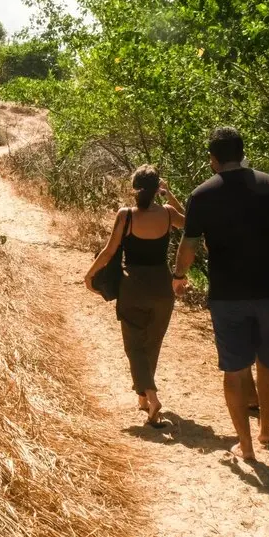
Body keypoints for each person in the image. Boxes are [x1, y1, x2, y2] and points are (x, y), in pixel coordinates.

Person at [172, 128, 269, 461]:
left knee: (236, 369)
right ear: (242, 154)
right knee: (268, 360)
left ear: (213, 160)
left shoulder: (201, 196)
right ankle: (267, 427)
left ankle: (246, 444)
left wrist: (179, 276)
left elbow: (189, 245)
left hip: (228, 294)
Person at [85, 165, 185, 426]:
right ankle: (143, 396)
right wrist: (169, 195)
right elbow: (191, 224)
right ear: (156, 189)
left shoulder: (126, 216)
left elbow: (108, 252)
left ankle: (151, 397)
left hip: (133, 287)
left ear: (134, 188)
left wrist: (89, 274)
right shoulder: (167, 213)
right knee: (152, 343)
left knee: (134, 345)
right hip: (162, 287)